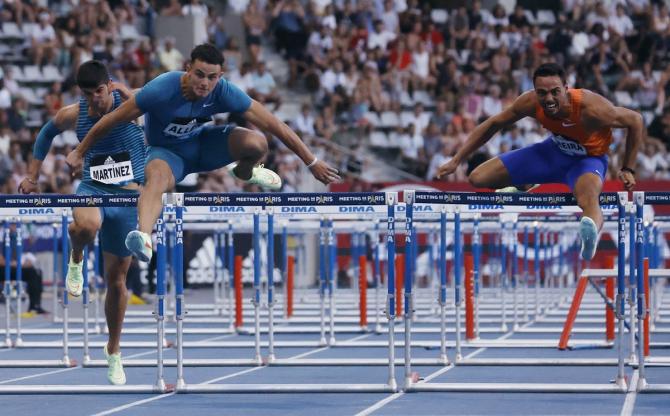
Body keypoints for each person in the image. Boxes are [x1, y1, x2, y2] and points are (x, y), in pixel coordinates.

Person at [66, 43, 340, 263]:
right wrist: (80, 151)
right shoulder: (162, 88)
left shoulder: (224, 92)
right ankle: (145, 237)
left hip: (203, 146)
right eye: (199, 75)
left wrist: (311, 161)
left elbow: (275, 125)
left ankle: (245, 172)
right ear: (187, 69)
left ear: (220, 76)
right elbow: (112, 119)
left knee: (258, 142)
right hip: (168, 154)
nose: (204, 83)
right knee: (156, 179)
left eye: (212, 77)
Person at [19, 60, 147, 386]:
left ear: (110, 86)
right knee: (86, 227)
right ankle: (76, 259)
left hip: (128, 198)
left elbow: (157, 111)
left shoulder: (132, 102)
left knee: (117, 280)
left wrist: (128, 91)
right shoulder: (75, 114)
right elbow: (47, 132)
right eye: (87, 95)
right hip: (92, 188)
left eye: (99, 93)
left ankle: (113, 352)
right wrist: (32, 176)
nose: (94, 101)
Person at [437, 63, 643, 261]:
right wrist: (457, 160)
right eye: (542, 93)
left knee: (588, 199)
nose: (549, 99)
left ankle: (590, 234)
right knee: (477, 178)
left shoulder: (592, 108)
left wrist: (627, 168)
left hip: (586, 161)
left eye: (555, 92)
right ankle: (524, 184)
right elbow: (493, 123)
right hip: (551, 153)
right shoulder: (530, 102)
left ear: (566, 89)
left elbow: (635, 120)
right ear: (535, 91)